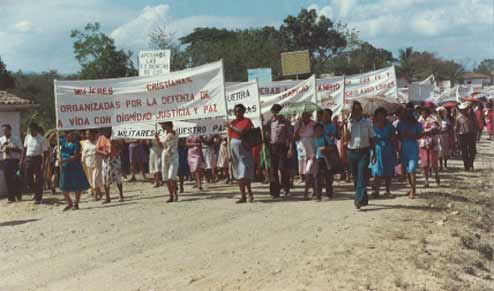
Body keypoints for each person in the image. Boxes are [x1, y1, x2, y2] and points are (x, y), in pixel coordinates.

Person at [343, 101, 376, 209]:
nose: (356, 112)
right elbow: (346, 139)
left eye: (358, 110)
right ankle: (364, 197)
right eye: (354, 110)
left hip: (364, 152)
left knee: (362, 175)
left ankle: (358, 199)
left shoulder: (367, 122)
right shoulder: (348, 123)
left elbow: (372, 138)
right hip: (352, 152)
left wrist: (374, 153)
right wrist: (345, 126)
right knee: (356, 177)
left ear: (361, 111)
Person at [227, 104, 255, 203]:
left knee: (244, 172)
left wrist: (230, 126)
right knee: (238, 174)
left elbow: (242, 132)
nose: (237, 113)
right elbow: (230, 138)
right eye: (235, 111)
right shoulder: (232, 122)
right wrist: (229, 153)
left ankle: (250, 192)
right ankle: (243, 195)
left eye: (239, 111)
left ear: (243, 111)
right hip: (234, 149)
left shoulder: (246, 121)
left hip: (244, 149)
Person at [266, 104, 292, 197]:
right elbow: (267, 135)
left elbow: (290, 136)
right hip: (272, 147)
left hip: (282, 147)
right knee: (273, 170)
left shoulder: (286, 122)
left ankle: (286, 188)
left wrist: (290, 148)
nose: (275, 114)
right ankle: (274, 191)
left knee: (283, 168)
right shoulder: (269, 122)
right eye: (274, 112)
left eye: (277, 112)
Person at [59, 131, 90, 211]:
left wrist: (65, 160)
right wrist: (54, 132)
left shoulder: (77, 144)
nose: (70, 135)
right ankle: (69, 203)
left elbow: (76, 156)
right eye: (68, 134)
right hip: (65, 167)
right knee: (63, 186)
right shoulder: (64, 142)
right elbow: (51, 140)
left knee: (77, 186)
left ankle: (76, 203)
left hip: (75, 166)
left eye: (71, 134)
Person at [396, 107, 423, 199]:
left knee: (412, 169)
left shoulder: (417, 124)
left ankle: (413, 191)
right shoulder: (400, 124)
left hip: (413, 147)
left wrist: (411, 135)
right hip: (404, 147)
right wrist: (402, 135)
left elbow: (420, 135)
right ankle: (411, 187)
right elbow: (398, 136)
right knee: (407, 169)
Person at [370, 108, 397, 197]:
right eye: (379, 115)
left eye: (382, 115)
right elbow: (370, 139)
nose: (381, 117)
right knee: (376, 170)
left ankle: (387, 190)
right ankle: (376, 190)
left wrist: (391, 138)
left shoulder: (390, 126)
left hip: (388, 149)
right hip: (376, 149)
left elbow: (394, 137)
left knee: (388, 171)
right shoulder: (373, 126)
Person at [20, 123, 49, 204]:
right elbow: (24, 149)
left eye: (31, 129)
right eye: (29, 130)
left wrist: (44, 164)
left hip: (37, 159)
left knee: (39, 179)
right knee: (28, 179)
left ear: (36, 129)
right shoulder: (27, 137)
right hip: (28, 159)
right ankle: (36, 192)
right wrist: (21, 160)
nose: (30, 131)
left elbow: (46, 153)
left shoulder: (42, 139)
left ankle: (38, 198)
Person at [96, 129, 124, 203]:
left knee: (118, 177)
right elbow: (97, 149)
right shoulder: (101, 138)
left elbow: (122, 147)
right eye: (103, 131)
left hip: (115, 158)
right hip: (105, 160)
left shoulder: (115, 136)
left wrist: (116, 144)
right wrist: (103, 153)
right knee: (105, 178)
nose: (104, 132)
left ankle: (121, 195)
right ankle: (108, 197)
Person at [293, 111, 316, 198]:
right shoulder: (297, 124)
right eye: (303, 115)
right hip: (301, 148)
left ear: (309, 116)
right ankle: (313, 189)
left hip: (311, 148)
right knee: (305, 172)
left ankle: (306, 192)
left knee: (309, 170)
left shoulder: (313, 124)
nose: (305, 117)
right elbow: (294, 137)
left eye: (307, 115)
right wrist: (298, 127)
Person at [157, 122, 179, 203]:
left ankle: (175, 194)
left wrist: (166, 126)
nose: (162, 126)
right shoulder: (163, 134)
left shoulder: (174, 132)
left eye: (163, 125)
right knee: (166, 178)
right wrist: (156, 138)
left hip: (173, 155)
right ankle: (171, 196)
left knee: (171, 177)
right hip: (165, 155)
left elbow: (172, 133)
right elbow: (160, 146)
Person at [418, 107, 440, 187]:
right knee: (425, 163)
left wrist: (427, 131)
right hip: (423, 143)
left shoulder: (432, 120)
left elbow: (436, 129)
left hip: (431, 143)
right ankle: (426, 180)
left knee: (433, 162)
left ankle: (436, 174)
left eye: (425, 112)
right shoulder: (419, 121)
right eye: (422, 112)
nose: (423, 114)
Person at [0, 124, 23, 203]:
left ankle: (18, 195)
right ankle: (11, 197)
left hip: (14, 161)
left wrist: (11, 148)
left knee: (16, 178)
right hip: (6, 161)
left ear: (10, 130)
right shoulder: (1, 139)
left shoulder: (16, 139)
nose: (4, 132)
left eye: (6, 130)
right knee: (7, 179)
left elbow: (21, 149)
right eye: (3, 130)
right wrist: (3, 147)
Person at [455, 102, 476, 171]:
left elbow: (475, 125)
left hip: (471, 135)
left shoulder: (472, 116)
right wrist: (456, 138)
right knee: (464, 151)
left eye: (466, 109)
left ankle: (471, 164)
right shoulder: (458, 117)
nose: (465, 110)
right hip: (462, 136)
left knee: (472, 151)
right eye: (463, 109)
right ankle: (466, 165)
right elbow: (456, 128)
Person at [82, 129, 101, 199]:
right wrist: (82, 160)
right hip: (88, 163)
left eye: (89, 133)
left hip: (97, 162)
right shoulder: (85, 143)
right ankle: (99, 193)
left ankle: (96, 195)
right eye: (87, 134)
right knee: (90, 180)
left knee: (94, 178)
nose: (88, 135)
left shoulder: (98, 141)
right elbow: (84, 153)